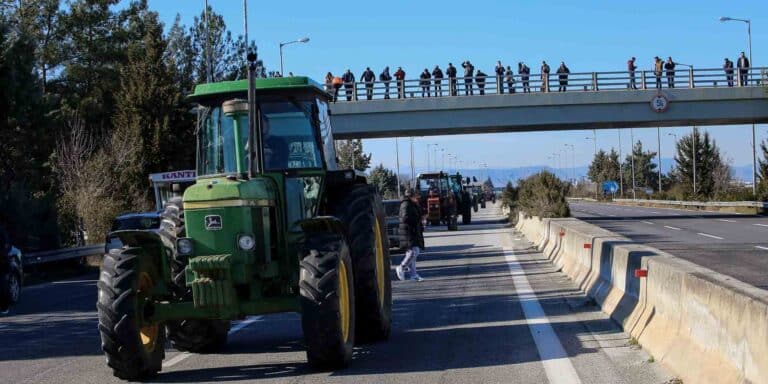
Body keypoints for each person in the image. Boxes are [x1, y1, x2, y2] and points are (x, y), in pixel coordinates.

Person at [396, 189, 425, 281]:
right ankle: (401, 267)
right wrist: (418, 220)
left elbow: (416, 215)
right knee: (414, 252)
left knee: (412, 252)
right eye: (416, 196)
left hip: (412, 231)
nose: (417, 198)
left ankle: (414, 275)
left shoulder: (412, 204)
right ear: (411, 196)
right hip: (408, 232)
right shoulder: (406, 204)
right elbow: (406, 218)